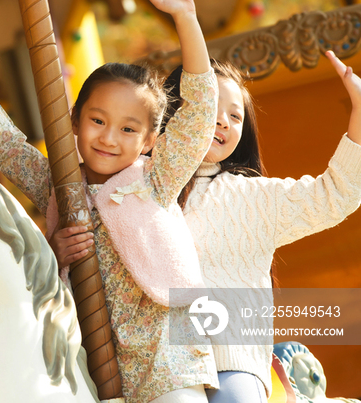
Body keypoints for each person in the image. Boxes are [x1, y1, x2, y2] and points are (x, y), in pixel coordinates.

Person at [0, 0, 220, 402]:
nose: (108, 137)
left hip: (167, 355)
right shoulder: (57, 183)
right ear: (74, 121)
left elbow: (199, 112)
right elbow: (0, 138)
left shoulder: (156, 179)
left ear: (149, 141)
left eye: (128, 129)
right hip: (86, 358)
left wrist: (186, 20)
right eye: (98, 121)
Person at [57, 52, 361, 402]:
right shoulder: (129, 185)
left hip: (229, 359)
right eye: (211, 108)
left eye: (235, 116)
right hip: (144, 363)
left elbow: (334, 195)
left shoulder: (252, 197)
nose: (221, 122)